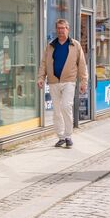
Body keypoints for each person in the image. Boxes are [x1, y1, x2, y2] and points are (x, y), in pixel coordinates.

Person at [36, 19, 88, 148]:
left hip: (69, 81)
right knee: (57, 111)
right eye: (58, 28)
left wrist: (83, 81)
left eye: (63, 28)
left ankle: (68, 136)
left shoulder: (75, 45)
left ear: (67, 29)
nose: (60, 30)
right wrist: (41, 77)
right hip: (53, 82)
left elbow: (82, 64)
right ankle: (61, 137)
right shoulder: (50, 46)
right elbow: (43, 63)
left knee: (66, 106)